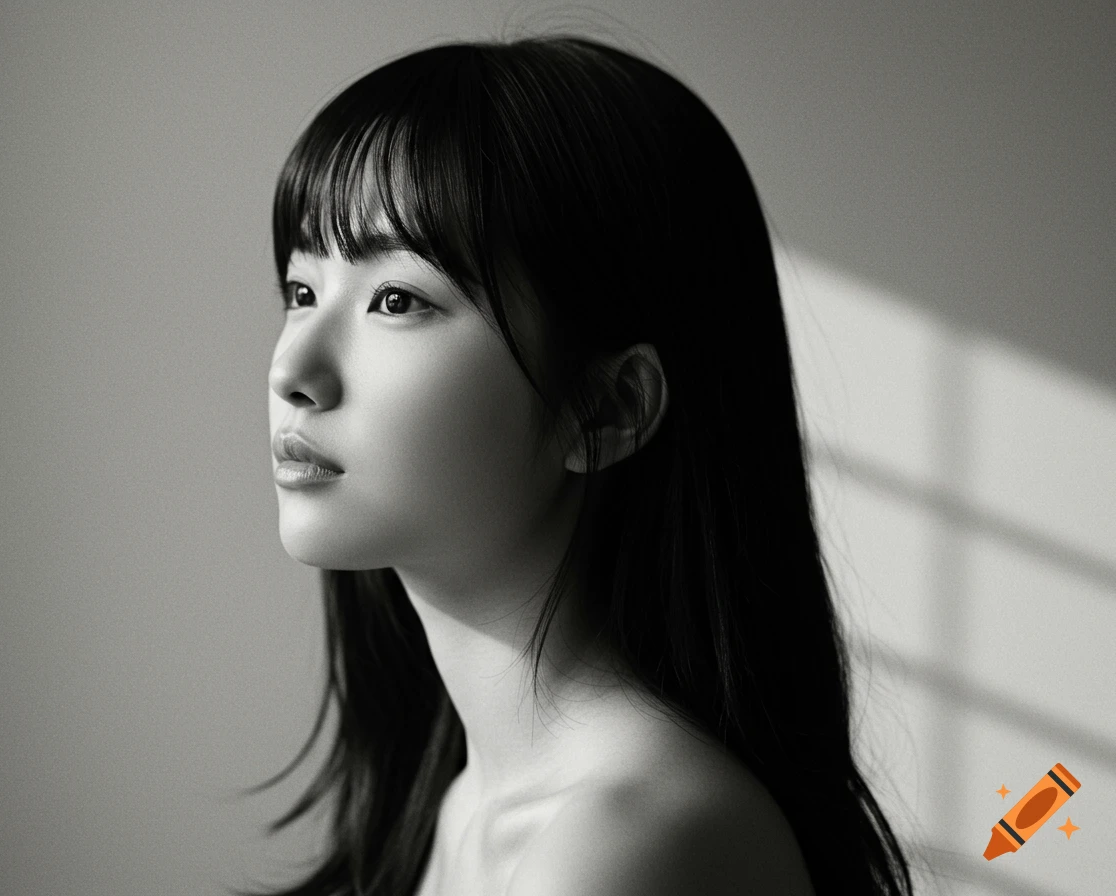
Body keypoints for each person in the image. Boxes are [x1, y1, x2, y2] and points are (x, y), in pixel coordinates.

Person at [246, 33, 916, 896]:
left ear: (606, 410)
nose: (291, 372)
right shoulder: (462, 809)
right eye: (301, 292)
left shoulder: (630, 842)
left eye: (398, 299)